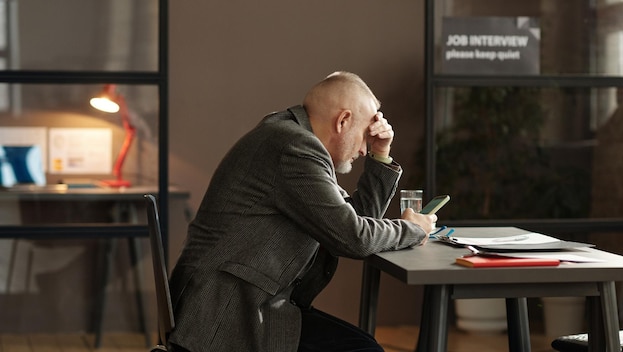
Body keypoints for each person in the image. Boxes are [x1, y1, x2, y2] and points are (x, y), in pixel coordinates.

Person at [168, 71, 437, 352]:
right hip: (225, 316)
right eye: (365, 135)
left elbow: (355, 219)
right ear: (343, 121)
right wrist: (412, 228)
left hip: (243, 305)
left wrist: (380, 154)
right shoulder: (294, 147)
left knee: (363, 346)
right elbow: (354, 237)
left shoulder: (293, 137)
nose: (363, 147)